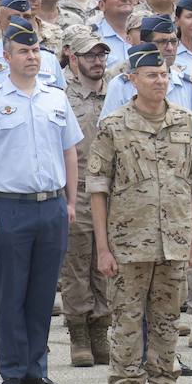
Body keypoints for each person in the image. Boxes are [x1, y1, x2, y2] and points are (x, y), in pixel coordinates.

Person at [87, 43, 192, 384]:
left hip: (173, 242)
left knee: (168, 323)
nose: (160, 80)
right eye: (151, 74)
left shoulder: (186, 122)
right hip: (128, 243)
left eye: (163, 74)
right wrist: (103, 247)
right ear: (132, 80)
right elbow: (98, 189)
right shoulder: (114, 126)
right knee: (125, 323)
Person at [0, 17, 83, 384]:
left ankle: (37, 366)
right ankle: (13, 369)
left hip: (50, 206)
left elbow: (70, 153)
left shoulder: (55, 97)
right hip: (10, 205)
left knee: (43, 291)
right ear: (6, 57)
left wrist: (70, 201)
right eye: (23, 51)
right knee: (12, 290)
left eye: (35, 50)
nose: (32, 57)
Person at [58, 32, 113, 366]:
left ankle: (101, 330)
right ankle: (79, 333)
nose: (97, 61)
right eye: (89, 55)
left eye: (101, 55)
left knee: (105, 263)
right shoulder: (62, 95)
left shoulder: (117, 93)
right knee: (76, 265)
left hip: (109, 190)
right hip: (77, 189)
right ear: (73, 58)